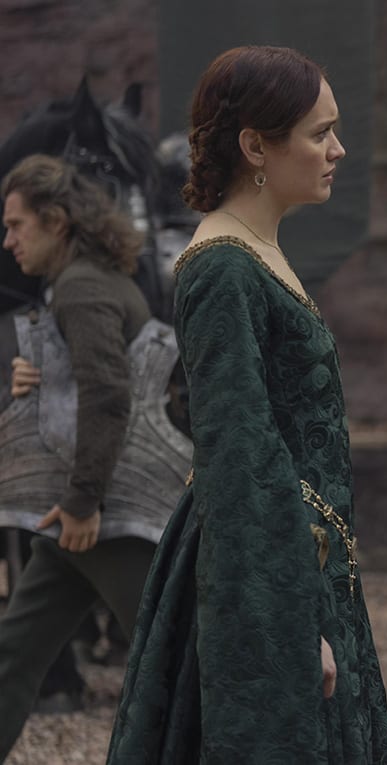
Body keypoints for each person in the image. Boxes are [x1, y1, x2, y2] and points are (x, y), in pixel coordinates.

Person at [105, 46, 387, 763]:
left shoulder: (257, 251)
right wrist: (290, 622)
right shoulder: (222, 269)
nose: (338, 149)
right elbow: (238, 451)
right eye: (319, 133)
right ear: (256, 146)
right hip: (264, 564)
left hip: (303, 554)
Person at [0, 153, 160, 755]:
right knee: (13, 654)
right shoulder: (87, 281)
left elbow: (110, 394)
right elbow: (96, 376)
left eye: (16, 225)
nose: (8, 240)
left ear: (56, 220)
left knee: (176, 663)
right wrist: (38, 374)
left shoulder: (82, 288)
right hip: (81, 515)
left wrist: (84, 501)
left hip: (110, 516)